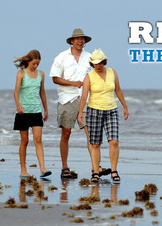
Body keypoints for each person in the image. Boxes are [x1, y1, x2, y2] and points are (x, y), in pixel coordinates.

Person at [50, 28, 110, 178]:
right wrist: (73, 83)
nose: (80, 41)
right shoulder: (61, 57)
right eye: (77, 39)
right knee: (66, 133)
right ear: (72, 41)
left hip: (88, 99)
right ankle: (65, 168)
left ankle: (96, 168)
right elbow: (55, 78)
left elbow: (99, 73)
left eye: (82, 39)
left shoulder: (90, 57)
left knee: (91, 134)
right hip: (67, 99)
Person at [78, 49, 129, 183]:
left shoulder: (112, 72)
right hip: (94, 111)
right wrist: (80, 112)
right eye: (95, 63)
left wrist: (125, 106)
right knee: (95, 144)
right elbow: (84, 96)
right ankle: (95, 172)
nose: (98, 65)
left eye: (100, 63)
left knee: (114, 141)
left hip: (111, 110)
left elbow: (118, 90)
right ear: (92, 63)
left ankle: (114, 171)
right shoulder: (89, 76)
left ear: (104, 62)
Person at [13, 49, 51, 179]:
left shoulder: (41, 74)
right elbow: (16, 91)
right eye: (34, 63)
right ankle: (23, 169)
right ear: (28, 61)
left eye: (38, 64)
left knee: (38, 140)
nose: (36, 66)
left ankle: (42, 168)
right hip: (23, 112)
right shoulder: (21, 74)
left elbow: (42, 93)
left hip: (36, 111)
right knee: (24, 140)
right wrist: (18, 104)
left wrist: (46, 109)